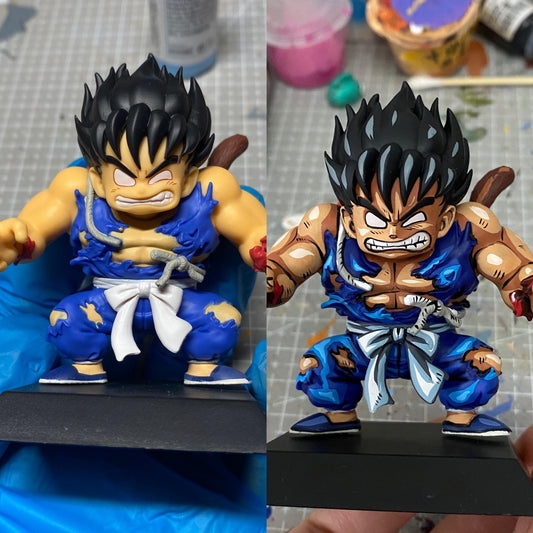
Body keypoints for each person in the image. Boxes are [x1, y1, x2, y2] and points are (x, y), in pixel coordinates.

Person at [267, 82, 533, 436]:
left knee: (484, 365)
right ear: (349, 217)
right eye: (376, 220)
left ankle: (463, 420)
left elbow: (510, 266)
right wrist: (272, 280)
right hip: (359, 345)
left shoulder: (468, 227)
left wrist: (524, 287)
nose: (393, 232)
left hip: (437, 342)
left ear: (444, 219)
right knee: (317, 366)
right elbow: (286, 264)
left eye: (413, 219)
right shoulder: (328, 226)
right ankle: (338, 420)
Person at [0, 55, 266, 385]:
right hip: (104, 302)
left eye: (161, 176)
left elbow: (251, 230)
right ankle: (85, 371)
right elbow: (35, 228)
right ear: (97, 178)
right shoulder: (77, 192)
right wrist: (15, 240)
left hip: (181, 299)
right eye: (124, 177)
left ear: (187, 178)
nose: (141, 190)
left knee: (222, 321)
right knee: (66, 320)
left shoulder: (211, 190)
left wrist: (262, 248)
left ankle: (202, 371)